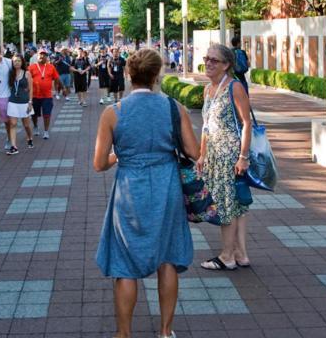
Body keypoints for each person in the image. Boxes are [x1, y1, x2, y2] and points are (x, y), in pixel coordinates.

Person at [93, 49, 200, 338]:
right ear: (156, 76)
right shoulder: (172, 107)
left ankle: (124, 333)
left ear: (128, 74)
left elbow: (99, 163)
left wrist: (121, 156)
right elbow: (193, 152)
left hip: (129, 188)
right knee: (167, 258)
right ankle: (166, 331)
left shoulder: (113, 113)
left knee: (125, 264)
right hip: (166, 186)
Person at [197, 43, 254, 271]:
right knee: (236, 205)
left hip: (230, 155)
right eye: (206, 58)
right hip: (214, 155)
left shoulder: (234, 86)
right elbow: (206, 126)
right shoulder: (208, 89)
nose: (208, 63)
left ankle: (226, 256)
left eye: (214, 60)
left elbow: (246, 123)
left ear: (227, 65)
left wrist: (243, 156)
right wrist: (202, 155)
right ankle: (241, 254)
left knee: (226, 206)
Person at [28, 49, 61, 140]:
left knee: (47, 114)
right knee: (34, 114)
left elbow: (56, 78)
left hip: (47, 95)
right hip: (34, 95)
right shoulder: (31, 67)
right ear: (37, 56)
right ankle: (35, 126)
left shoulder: (51, 67)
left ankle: (46, 131)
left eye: (44, 55)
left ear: (47, 57)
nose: (42, 56)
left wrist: (59, 89)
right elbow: (27, 80)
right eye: (40, 54)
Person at [6, 55, 34, 154]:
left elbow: (31, 89)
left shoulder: (27, 73)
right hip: (13, 101)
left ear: (22, 62)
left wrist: (30, 102)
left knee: (26, 125)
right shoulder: (11, 73)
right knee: (13, 124)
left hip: (24, 102)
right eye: (14, 61)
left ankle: (30, 137)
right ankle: (14, 146)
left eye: (18, 61)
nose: (16, 63)